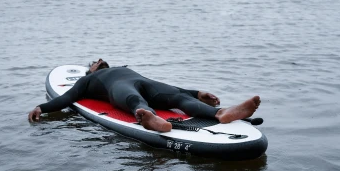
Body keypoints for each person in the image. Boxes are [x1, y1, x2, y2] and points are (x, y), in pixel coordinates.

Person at [28, 58, 261, 132]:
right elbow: (66, 99)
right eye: (95, 61)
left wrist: (197, 93)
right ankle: (155, 120)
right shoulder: (88, 80)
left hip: (135, 83)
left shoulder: (107, 73)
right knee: (150, 99)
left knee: (176, 96)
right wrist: (43, 107)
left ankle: (220, 113)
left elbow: (173, 89)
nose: (98, 62)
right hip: (130, 86)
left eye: (100, 61)